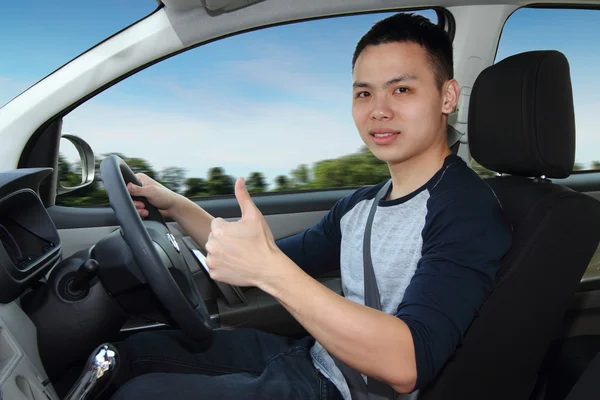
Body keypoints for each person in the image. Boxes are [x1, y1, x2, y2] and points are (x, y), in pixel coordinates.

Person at [110, 12, 512, 400]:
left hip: (347, 391)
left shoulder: (465, 211)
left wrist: (268, 269)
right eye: (364, 93)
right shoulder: (363, 205)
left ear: (447, 97)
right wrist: (178, 206)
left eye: (402, 89)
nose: (379, 110)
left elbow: (406, 364)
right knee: (131, 356)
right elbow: (270, 260)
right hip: (314, 359)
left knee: (139, 394)